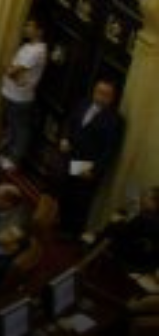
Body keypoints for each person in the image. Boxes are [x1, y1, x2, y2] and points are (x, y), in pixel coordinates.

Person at [58, 79, 125, 236]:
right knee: (65, 193)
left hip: (88, 166)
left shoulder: (115, 120)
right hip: (70, 158)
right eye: (98, 92)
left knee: (80, 201)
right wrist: (64, 138)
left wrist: (95, 171)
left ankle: (72, 233)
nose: (100, 96)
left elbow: (109, 150)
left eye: (105, 94)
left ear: (113, 97)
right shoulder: (84, 103)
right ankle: (62, 224)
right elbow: (70, 122)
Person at [0, 17, 48, 169]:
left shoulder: (38, 51)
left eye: (30, 25)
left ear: (39, 31)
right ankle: (5, 153)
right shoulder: (26, 46)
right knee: (10, 127)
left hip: (20, 98)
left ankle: (14, 159)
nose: (26, 28)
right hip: (10, 92)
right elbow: (10, 69)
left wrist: (9, 71)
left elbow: (13, 70)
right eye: (26, 25)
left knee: (20, 130)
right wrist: (10, 71)